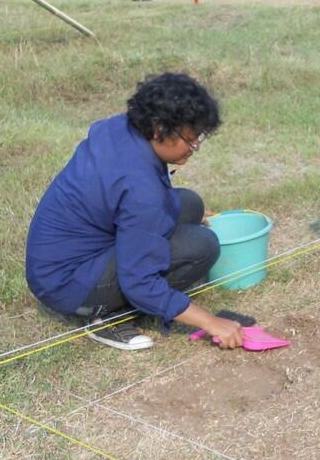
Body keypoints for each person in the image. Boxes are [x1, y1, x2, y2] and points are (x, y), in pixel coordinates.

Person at [25, 74, 242, 352]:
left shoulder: (121, 128)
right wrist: (211, 321)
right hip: (67, 283)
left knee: (189, 204)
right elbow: (139, 281)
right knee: (202, 245)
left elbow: (135, 199)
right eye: (190, 139)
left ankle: (114, 295)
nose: (194, 147)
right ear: (159, 128)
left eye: (198, 138)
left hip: (58, 259)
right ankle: (103, 315)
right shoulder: (141, 191)